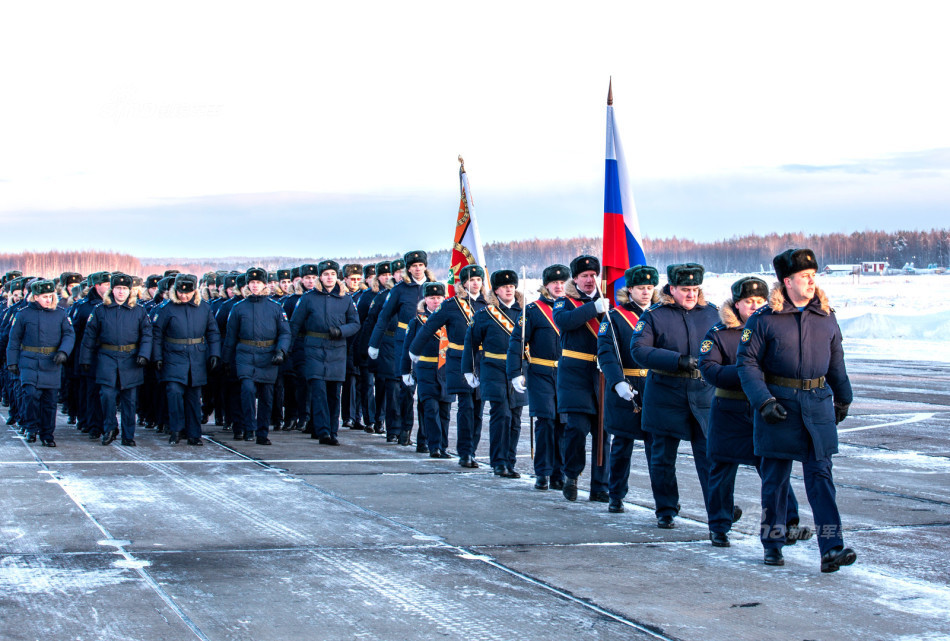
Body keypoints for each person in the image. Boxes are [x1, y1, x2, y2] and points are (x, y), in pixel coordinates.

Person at [737, 248, 856, 572]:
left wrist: (843, 398)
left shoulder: (825, 315)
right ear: (787, 281)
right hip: (779, 406)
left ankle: (831, 547)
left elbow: (836, 361)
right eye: (804, 277)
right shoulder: (765, 319)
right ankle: (773, 543)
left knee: (821, 477)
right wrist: (763, 400)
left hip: (817, 406)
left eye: (813, 276)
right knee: (775, 479)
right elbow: (746, 363)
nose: (811, 281)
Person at [699, 275, 812, 548]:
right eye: (748, 301)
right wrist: (747, 374)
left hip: (763, 410)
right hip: (729, 410)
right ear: (736, 304)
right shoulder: (718, 333)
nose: (754, 306)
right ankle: (719, 526)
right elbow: (709, 369)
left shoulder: (774, 328)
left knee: (775, 470)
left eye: (760, 301)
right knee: (722, 470)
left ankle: (788, 523)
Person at [631, 263, 720, 528]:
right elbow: (639, 350)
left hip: (703, 396)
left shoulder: (712, 314)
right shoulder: (655, 316)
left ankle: (717, 511)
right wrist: (677, 360)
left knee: (710, 458)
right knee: (663, 458)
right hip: (666, 395)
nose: (691, 295)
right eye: (685, 289)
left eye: (695, 289)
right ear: (672, 289)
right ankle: (666, 508)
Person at [409, 264, 487, 467]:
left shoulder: (487, 305)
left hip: (481, 362)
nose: (476, 283)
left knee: (478, 410)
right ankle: (465, 452)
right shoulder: (452, 305)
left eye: (479, 279)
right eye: (471, 280)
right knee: (466, 407)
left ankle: (473, 450)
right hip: (458, 361)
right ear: (463, 283)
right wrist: (414, 350)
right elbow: (429, 327)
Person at [596, 265, 658, 513]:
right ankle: (616, 494)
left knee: (658, 449)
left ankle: (663, 502)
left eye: (650, 288)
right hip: (627, 387)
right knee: (622, 446)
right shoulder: (614, 318)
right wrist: (617, 382)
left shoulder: (659, 314)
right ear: (629, 289)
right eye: (641, 288)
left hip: (655, 388)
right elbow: (606, 353)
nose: (646, 292)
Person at [553, 255, 610, 502]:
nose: (589, 280)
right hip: (574, 374)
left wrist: (604, 308)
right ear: (574, 279)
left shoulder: (607, 303)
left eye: (593, 275)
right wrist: (593, 309)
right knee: (577, 427)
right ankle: (572, 474)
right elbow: (564, 322)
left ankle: (600, 485)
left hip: (601, 375)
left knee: (603, 432)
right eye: (584, 276)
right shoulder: (563, 302)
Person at [507, 264, 568, 490]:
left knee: (563, 423)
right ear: (546, 286)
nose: (559, 287)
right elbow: (517, 343)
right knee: (546, 421)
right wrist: (515, 373)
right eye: (555, 283)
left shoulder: (572, 309)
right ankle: (542, 472)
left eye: (562, 283)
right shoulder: (533, 311)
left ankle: (559, 473)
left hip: (565, 374)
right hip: (540, 373)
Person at [462, 269, 526, 478]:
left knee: (515, 417)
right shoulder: (484, 314)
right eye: (504, 286)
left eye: (511, 286)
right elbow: (470, 343)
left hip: (517, 370)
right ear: (496, 290)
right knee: (502, 414)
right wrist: (468, 369)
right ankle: (498, 462)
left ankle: (510, 460)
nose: (509, 289)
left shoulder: (524, 313)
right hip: (493, 368)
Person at [289, 260, 360, 445]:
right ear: (321, 276)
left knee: (334, 393)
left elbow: (355, 324)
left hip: (337, 350)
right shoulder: (308, 298)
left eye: (333, 274)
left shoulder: (345, 299)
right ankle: (323, 432)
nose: (329, 278)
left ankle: (332, 430)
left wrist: (341, 331)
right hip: (314, 348)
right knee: (318, 391)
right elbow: (295, 324)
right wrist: (287, 349)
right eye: (326, 274)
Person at [368, 252, 433, 446]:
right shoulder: (400, 289)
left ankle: (425, 436)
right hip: (405, 342)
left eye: (421, 265)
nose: (418, 268)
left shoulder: (434, 288)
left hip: (430, 344)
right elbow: (384, 317)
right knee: (405, 389)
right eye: (414, 265)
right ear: (408, 268)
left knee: (427, 391)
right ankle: (401, 429)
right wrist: (374, 343)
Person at [79, 273, 152, 446]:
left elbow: (147, 335)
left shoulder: (139, 311)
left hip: (130, 359)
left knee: (129, 399)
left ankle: (128, 435)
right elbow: (89, 337)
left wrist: (144, 354)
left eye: (125, 289)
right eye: (118, 288)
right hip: (107, 357)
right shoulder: (100, 310)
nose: (121, 292)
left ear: (130, 291)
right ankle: (110, 427)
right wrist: (85, 359)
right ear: (112, 290)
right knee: (107, 395)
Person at [223, 267, 291, 445]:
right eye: (251, 283)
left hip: (268, 356)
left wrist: (281, 350)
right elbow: (231, 336)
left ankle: (262, 432)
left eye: (258, 283)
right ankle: (249, 427)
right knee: (247, 390)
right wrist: (226, 360)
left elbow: (285, 333)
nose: (254, 286)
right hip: (245, 354)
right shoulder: (239, 308)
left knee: (267, 396)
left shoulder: (275, 308)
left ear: (264, 284)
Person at [152, 274, 222, 445]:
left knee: (193, 397)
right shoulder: (167, 308)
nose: (184, 296)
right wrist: (158, 357)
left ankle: (194, 433)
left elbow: (212, 332)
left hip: (196, 357)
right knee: (174, 393)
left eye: (187, 292)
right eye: (180, 292)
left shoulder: (203, 308)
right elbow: (157, 335)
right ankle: (176, 429)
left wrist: (214, 354)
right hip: (173, 356)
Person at [6, 279, 75, 446]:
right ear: (35, 297)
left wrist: (63, 352)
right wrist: (12, 362)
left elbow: (69, 335)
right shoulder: (23, 314)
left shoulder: (60, 314)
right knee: (30, 396)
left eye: (50, 296)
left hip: (51, 362)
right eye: (44, 297)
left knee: (50, 401)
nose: (48, 300)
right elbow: (14, 339)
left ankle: (47, 434)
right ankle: (31, 428)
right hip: (29, 360)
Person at [402, 281, 454, 458]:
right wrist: (405, 371)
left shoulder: (450, 320)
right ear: (425, 300)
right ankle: (434, 446)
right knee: (430, 408)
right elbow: (407, 348)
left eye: (439, 297)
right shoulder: (417, 321)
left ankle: (443, 446)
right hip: (425, 368)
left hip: (446, 369)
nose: (436, 301)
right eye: (432, 298)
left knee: (445, 410)